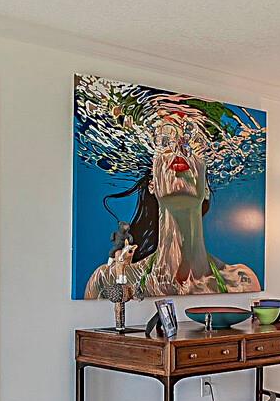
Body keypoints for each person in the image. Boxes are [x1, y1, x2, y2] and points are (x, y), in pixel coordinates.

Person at [83, 119, 260, 298]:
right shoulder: (108, 280)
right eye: (165, 143)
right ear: (152, 184)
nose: (180, 149)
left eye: (195, 142)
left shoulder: (241, 282)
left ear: (206, 187)